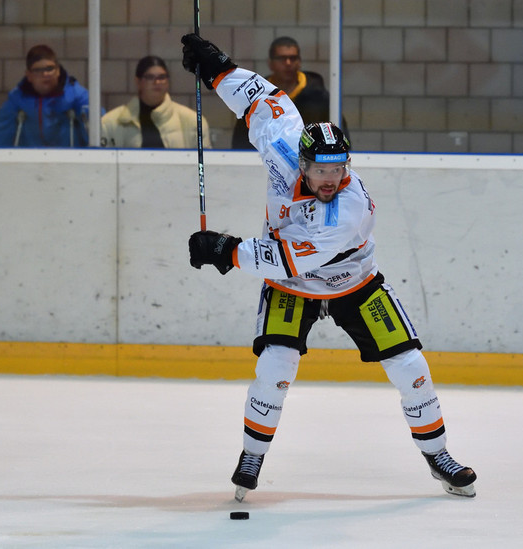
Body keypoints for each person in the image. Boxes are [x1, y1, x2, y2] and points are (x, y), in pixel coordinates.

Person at [181, 34, 477, 499]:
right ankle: (252, 456)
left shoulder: (348, 210)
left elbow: (284, 255)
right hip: (292, 287)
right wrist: (219, 69)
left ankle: (439, 455)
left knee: (410, 364)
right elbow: (263, 100)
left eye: (339, 170)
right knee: (275, 367)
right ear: (302, 163)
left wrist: (225, 249)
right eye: (321, 170)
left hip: (353, 282)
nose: (331, 179)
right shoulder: (281, 146)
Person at [231, 36, 347, 150]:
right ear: (270, 63)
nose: (288, 63)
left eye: (293, 58)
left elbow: (341, 140)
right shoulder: (256, 97)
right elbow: (240, 143)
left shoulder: (320, 99)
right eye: (281, 58)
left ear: (299, 62)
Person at [0, 44, 93, 147]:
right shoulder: (18, 98)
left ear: (58, 71)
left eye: (49, 69)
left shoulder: (76, 94)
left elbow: (97, 127)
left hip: (69, 159)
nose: (45, 75)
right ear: (28, 75)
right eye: (38, 70)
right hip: (30, 159)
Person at [100, 55, 211, 149]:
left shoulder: (193, 121)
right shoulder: (111, 122)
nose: (157, 82)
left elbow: (207, 166)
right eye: (150, 77)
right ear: (138, 81)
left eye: (162, 77)